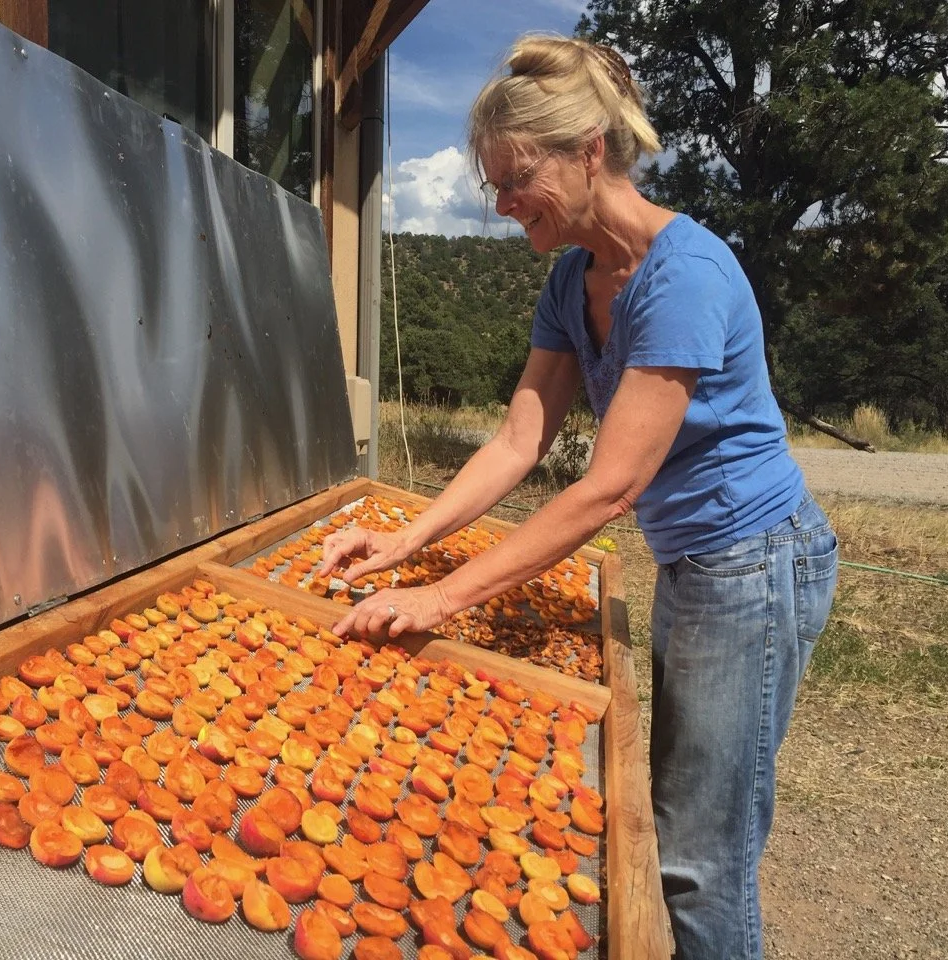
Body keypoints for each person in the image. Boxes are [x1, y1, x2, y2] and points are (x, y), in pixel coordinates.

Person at [319, 33, 840, 960]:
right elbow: (520, 440)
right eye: (492, 184)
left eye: (516, 177)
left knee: (700, 858)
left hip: (755, 565)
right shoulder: (571, 279)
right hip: (694, 561)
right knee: (678, 821)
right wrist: (405, 542)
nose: (502, 202)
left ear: (588, 152)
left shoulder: (686, 276)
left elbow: (610, 486)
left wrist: (443, 598)